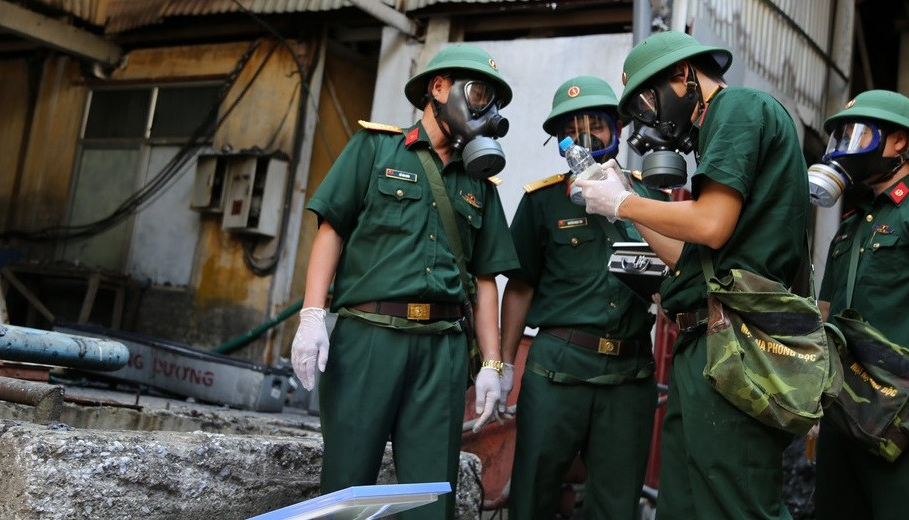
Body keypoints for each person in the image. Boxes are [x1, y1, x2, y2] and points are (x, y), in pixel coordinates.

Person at [575, 31, 811, 519]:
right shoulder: (720, 129)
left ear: (684, 77)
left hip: (736, 342)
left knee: (736, 502)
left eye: (647, 99)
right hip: (706, 344)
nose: (648, 118)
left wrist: (626, 200)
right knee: (684, 505)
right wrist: (627, 205)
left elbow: (711, 224)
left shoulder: (738, 107)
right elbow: (689, 253)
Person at [289, 44, 520, 520]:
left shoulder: (479, 183)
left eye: (493, 101)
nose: (486, 110)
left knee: (431, 496)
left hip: (442, 349)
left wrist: (492, 364)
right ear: (439, 88)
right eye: (478, 94)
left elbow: (483, 281)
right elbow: (331, 229)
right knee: (345, 487)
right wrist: (312, 315)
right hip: (369, 338)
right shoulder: (375, 148)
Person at [500, 75, 660, 519]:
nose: (583, 138)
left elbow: (676, 277)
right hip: (557, 372)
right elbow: (520, 285)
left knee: (615, 505)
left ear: (619, 129)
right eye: (571, 129)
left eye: (596, 126)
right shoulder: (543, 201)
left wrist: (624, 202)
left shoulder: (650, 196)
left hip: (628, 377)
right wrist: (505, 364)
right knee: (531, 496)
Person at [813, 90, 909, 520]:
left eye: (858, 133)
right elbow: (824, 313)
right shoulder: (851, 225)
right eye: (842, 135)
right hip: (843, 405)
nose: (848, 145)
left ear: (900, 141)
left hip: (906, 412)